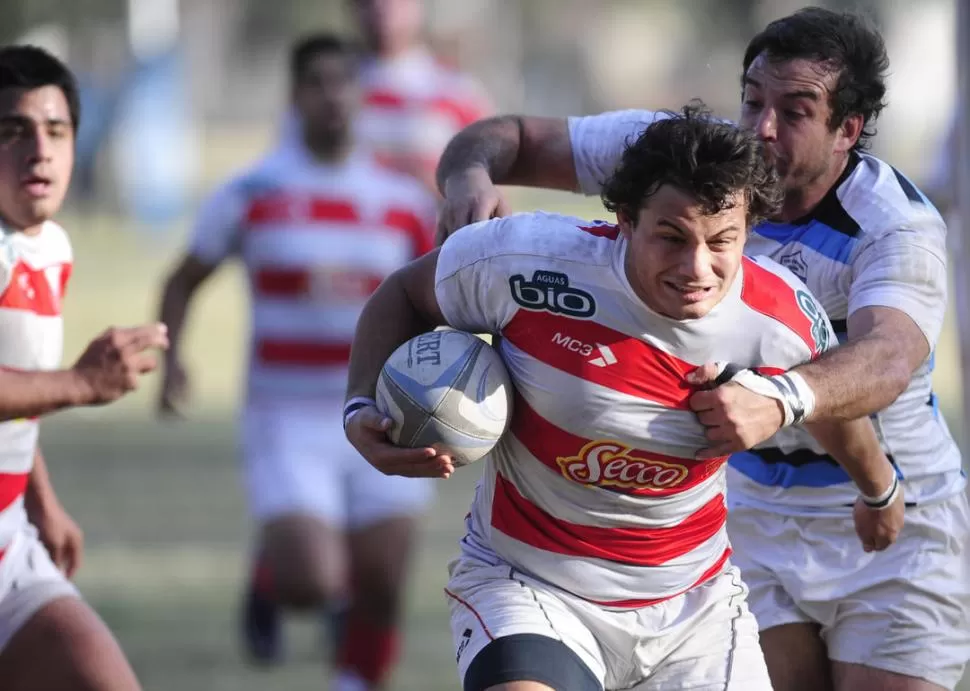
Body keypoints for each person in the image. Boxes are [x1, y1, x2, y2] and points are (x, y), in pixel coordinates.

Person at [433, 8, 970, 691]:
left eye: (796, 110)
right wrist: (466, 178)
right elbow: (504, 137)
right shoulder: (689, 162)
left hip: (895, 517)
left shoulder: (896, 226)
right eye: (752, 101)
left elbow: (887, 358)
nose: (762, 128)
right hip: (752, 513)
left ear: (849, 130)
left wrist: (782, 400)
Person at [344, 103, 903, 691]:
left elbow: (822, 406)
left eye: (722, 241)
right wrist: (361, 407)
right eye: (671, 236)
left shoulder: (779, 317)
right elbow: (405, 293)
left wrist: (878, 486)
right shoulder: (526, 263)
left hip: (693, 611)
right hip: (531, 585)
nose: (697, 267)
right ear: (626, 218)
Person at [157, 34, 437, 689]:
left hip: (384, 409)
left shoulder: (403, 200)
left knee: (382, 583)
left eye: (344, 82)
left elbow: (440, 295)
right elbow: (182, 278)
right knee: (313, 580)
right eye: (317, 82)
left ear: (360, 95)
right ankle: (274, 571)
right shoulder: (253, 191)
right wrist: (171, 362)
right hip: (286, 417)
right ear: (294, 95)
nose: (333, 95)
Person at [0, 45, 169, 691]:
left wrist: (39, 497)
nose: (39, 149)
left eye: (56, 130)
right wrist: (82, 383)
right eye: (13, 131)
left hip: (10, 543)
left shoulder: (51, 247)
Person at [347, 0, 494, 194]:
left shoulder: (457, 91)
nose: (381, 8)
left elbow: (491, 183)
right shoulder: (331, 88)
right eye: (368, 2)